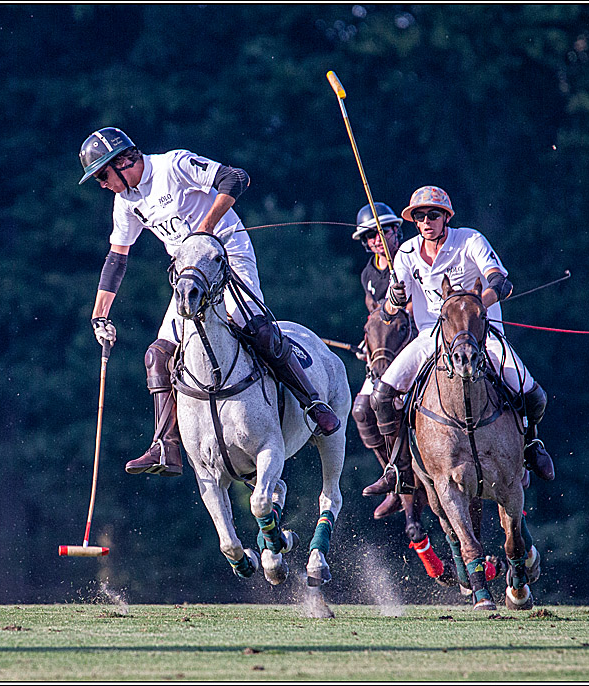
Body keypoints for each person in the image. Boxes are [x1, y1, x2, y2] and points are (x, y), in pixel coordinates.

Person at [80, 127, 341, 477]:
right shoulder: (125, 202)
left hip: (227, 259)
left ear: (124, 161)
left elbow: (235, 178)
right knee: (157, 356)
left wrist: (205, 228)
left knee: (254, 327)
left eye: (102, 175)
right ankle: (165, 446)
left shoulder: (173, 165)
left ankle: (312, 403)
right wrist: (100, 315)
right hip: (188, 277)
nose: (101, 184)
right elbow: (117, 259)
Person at [363, 185, 555, 497]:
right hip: (432, 337)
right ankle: (398, 468)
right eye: (420, 216)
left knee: (533, 394)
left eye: (433, 215)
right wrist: (394, 299)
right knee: (381, 397)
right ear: (414, 221)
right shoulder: (407, 253)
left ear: (446, 217)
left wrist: (479, 305)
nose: (427, 221)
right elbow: (389, 308)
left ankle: (531, 445)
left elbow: (500, 282)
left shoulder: (469, 240)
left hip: (481, 335)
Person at [347, 202, 411, 519]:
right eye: (370, 235)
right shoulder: (368, 274)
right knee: (361, 409)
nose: (377, 239)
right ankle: (394, 476)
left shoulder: (410, 258)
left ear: (396, 230)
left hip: (414, 342)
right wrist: (370, 343)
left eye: (382, 231)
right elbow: (373, 313)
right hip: (385, 354)